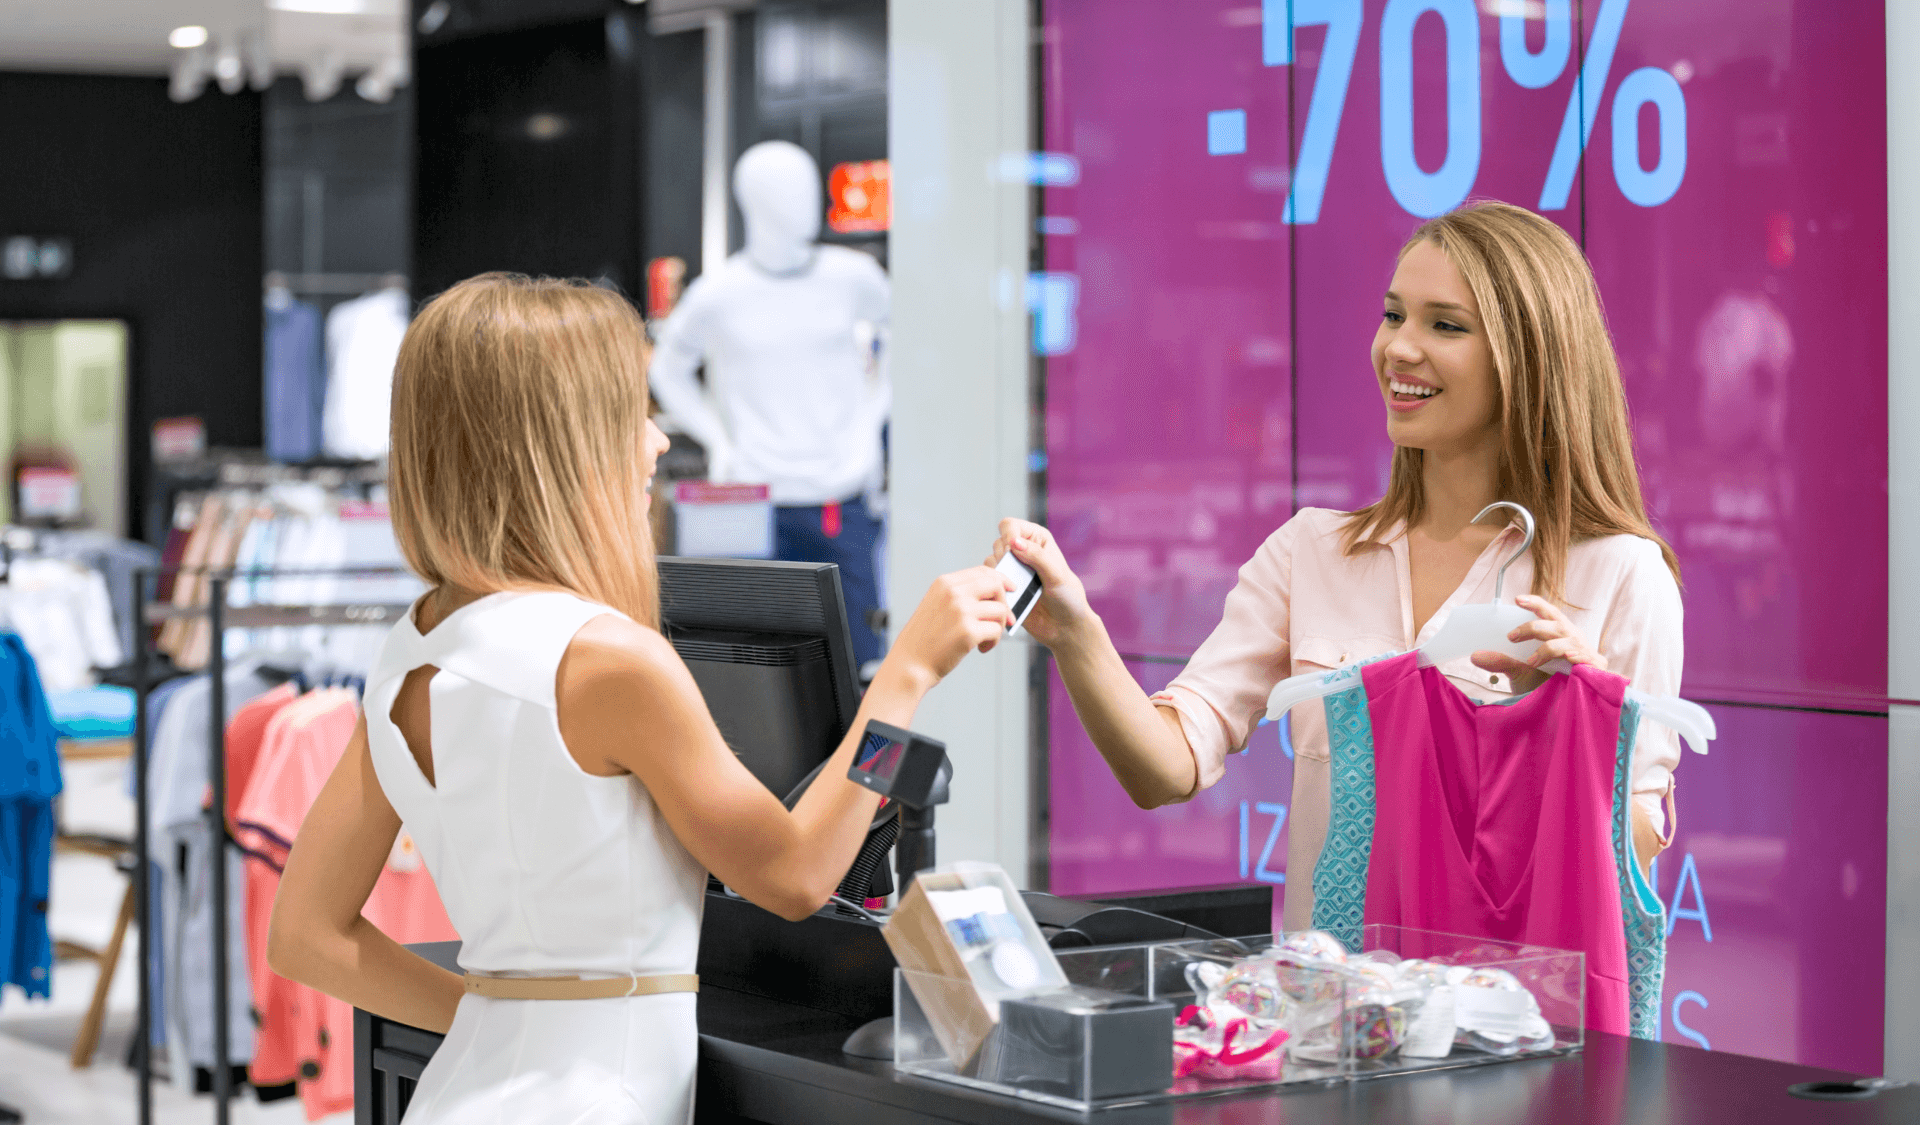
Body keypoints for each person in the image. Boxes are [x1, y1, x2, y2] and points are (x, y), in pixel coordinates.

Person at [267, 273, 1011, 1124]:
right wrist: (907, 673)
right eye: (633, 414)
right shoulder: (610, 660)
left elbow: (306, 935)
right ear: (562, 445)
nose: (657, 441)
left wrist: (503, 1021)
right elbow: (801, 875)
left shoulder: (410, 652)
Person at [990, 201, 1684, 932]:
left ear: (1532, 357)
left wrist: (1567, 727)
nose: (1400, 348)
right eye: (1394, 316)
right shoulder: (1311, 552)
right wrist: (1076, 632)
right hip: (1335, 1030)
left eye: (1445, 325)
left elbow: (1631, 864)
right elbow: (1164, 767)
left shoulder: (1621, 576)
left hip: (1521, 1031)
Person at [650, 140, 892, 670]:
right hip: (752, 495)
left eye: (809, 186)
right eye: (788, 189)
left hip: (838, 492)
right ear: (752, 201)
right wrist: (719, 438)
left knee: (860, 656)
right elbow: (667, 369)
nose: (807, 201)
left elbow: (907, 341)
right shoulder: (721, 293)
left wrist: (870, 424)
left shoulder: (851, 277)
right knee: (758, 660)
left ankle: (863, 753)